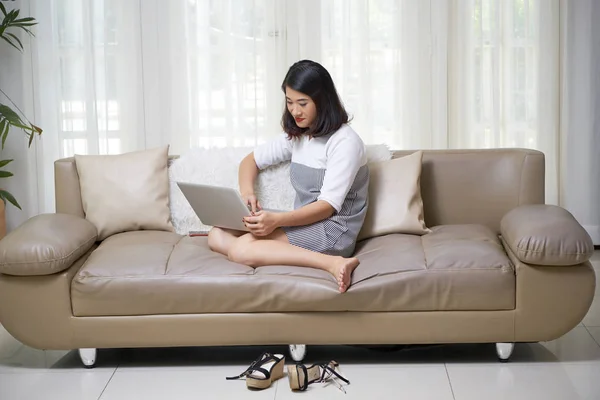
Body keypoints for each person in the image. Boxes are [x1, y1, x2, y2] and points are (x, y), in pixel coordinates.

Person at [207, 60, 369, 293]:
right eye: (290, 102)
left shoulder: (345, 142)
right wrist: (247, 194)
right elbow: (249, 161)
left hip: (332, 230)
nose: (295, 111)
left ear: (323, 101)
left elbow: (327, 207)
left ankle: (334, 263)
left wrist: (276, 221)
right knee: (216, 234)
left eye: (302, 103)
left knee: (241, 250)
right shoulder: (299, 135)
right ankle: (271, 251)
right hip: (302, 222)